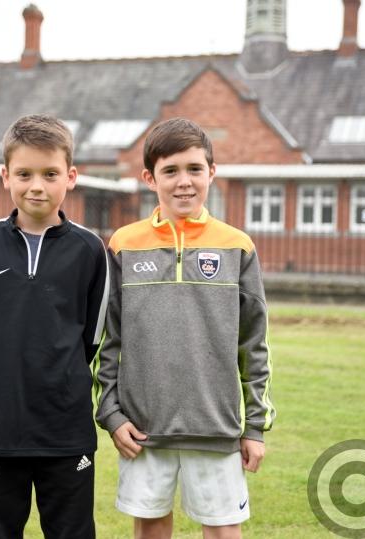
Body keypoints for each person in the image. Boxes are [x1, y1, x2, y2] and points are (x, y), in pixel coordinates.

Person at [95, 117, 275, 539]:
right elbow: (109, 341)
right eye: (170, 171)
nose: (184, 182)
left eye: (194, 169)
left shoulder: (237, 245)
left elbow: (254, 345)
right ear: (149, 178)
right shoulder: (123, 244)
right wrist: (112, 414)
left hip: (216, 428)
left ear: (212, 172)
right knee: (151, 528)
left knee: (224, 530)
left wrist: (254, 426)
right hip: (143, 429)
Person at [0, 114, 109, 539]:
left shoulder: (89, 249)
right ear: (6, 176)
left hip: (66, 429)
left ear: (71, 177)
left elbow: (91, 339)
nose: (36, 186)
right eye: (24, 174)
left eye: (50, 174)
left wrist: (57, 380)